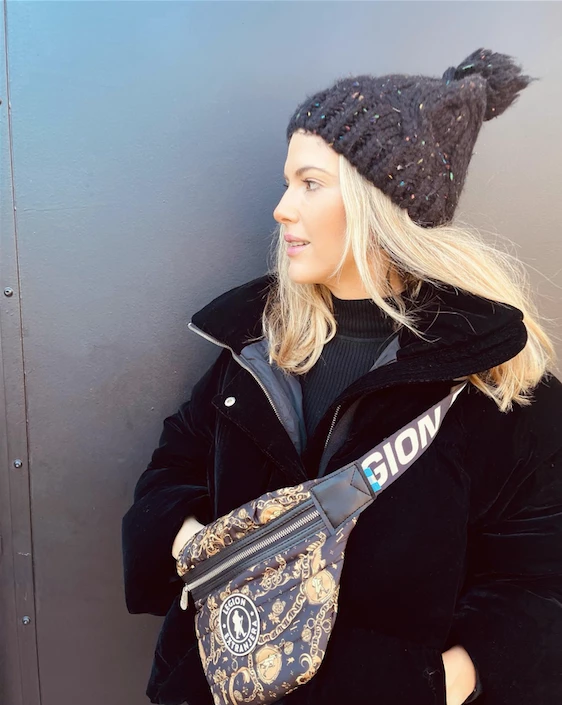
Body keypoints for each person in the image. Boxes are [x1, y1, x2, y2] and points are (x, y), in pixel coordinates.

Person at [121, 47, 562, 705]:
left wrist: (438, 683)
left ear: (380, 202)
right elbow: (169, 472)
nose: (281, 208)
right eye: (287, 182)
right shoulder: (255, 349)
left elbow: (540, 584)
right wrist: (209, 551)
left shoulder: (496, 384)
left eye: (309, 183)